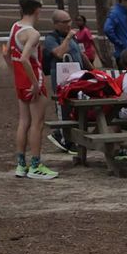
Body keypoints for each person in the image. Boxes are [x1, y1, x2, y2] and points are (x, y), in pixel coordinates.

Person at [5, 0, 54, 181]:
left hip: (20, 80)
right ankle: (36, 165)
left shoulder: (14, 28)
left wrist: (15, 75)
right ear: (37, 10)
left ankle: (20, 164)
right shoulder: (33, 33)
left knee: (23, 121)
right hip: (34, 79)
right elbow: (25, 58)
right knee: (37, 123)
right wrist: (35, 84)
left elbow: (7, 54)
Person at [40, 10, 84, 154]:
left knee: (77, 108)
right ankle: (67, 141)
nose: (68, 24)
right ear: (56, 24)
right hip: (61, 80)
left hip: (78, 77)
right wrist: (68, 38)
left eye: (69, 21)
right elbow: (58, 53)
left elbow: (81, 55)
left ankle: (62, 134)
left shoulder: (73, 37)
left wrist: (93, 70)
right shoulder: (51, 39)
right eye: (64, 22)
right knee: (64, 108)